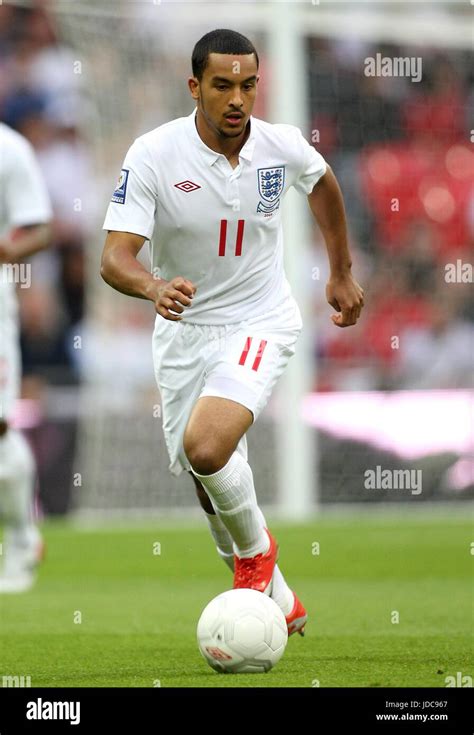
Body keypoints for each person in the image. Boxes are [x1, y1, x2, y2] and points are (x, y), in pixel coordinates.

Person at [101, 29, 364, 636]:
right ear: (195, 87)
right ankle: (278, 597)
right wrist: (152, 287)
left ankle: (254, 559)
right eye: (222, 85)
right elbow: (115, 256)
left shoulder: (281, 146)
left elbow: (322, 183)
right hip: (184, 331)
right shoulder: (153, 154)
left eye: (248, 85)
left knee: (209, 446)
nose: (237, 98)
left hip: (259, 319)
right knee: (206, 478)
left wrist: (341, 273)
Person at [0, 121, 52, 593]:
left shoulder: (9, 149)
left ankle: (20, 539)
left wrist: (7, 249)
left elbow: (41, 228)